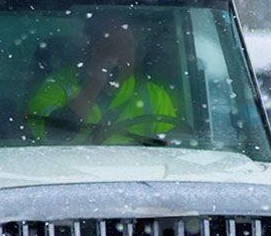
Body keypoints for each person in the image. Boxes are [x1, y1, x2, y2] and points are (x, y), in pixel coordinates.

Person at [27, 14, 182, 145]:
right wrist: (92, 87)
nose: (120, 54)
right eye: (111, 45)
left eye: (128, 46)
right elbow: (54, 136)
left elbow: (168, 151)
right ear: (90, 50)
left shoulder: (153, 96)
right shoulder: (58, 85)